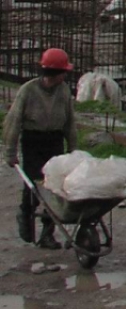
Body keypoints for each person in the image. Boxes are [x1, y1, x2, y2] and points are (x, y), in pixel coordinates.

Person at [4, 48, 78, 248]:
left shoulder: (64, 91)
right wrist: (10, 151)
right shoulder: (28, 90)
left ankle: (47, 232)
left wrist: (73, 151)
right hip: (33, 140)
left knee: (54, 187)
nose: (65, 75)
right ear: (53, 72)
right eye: (63, 72)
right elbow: (13, 121)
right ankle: (26, 214)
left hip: (54, 140)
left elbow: (70, 123)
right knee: (33, 185)